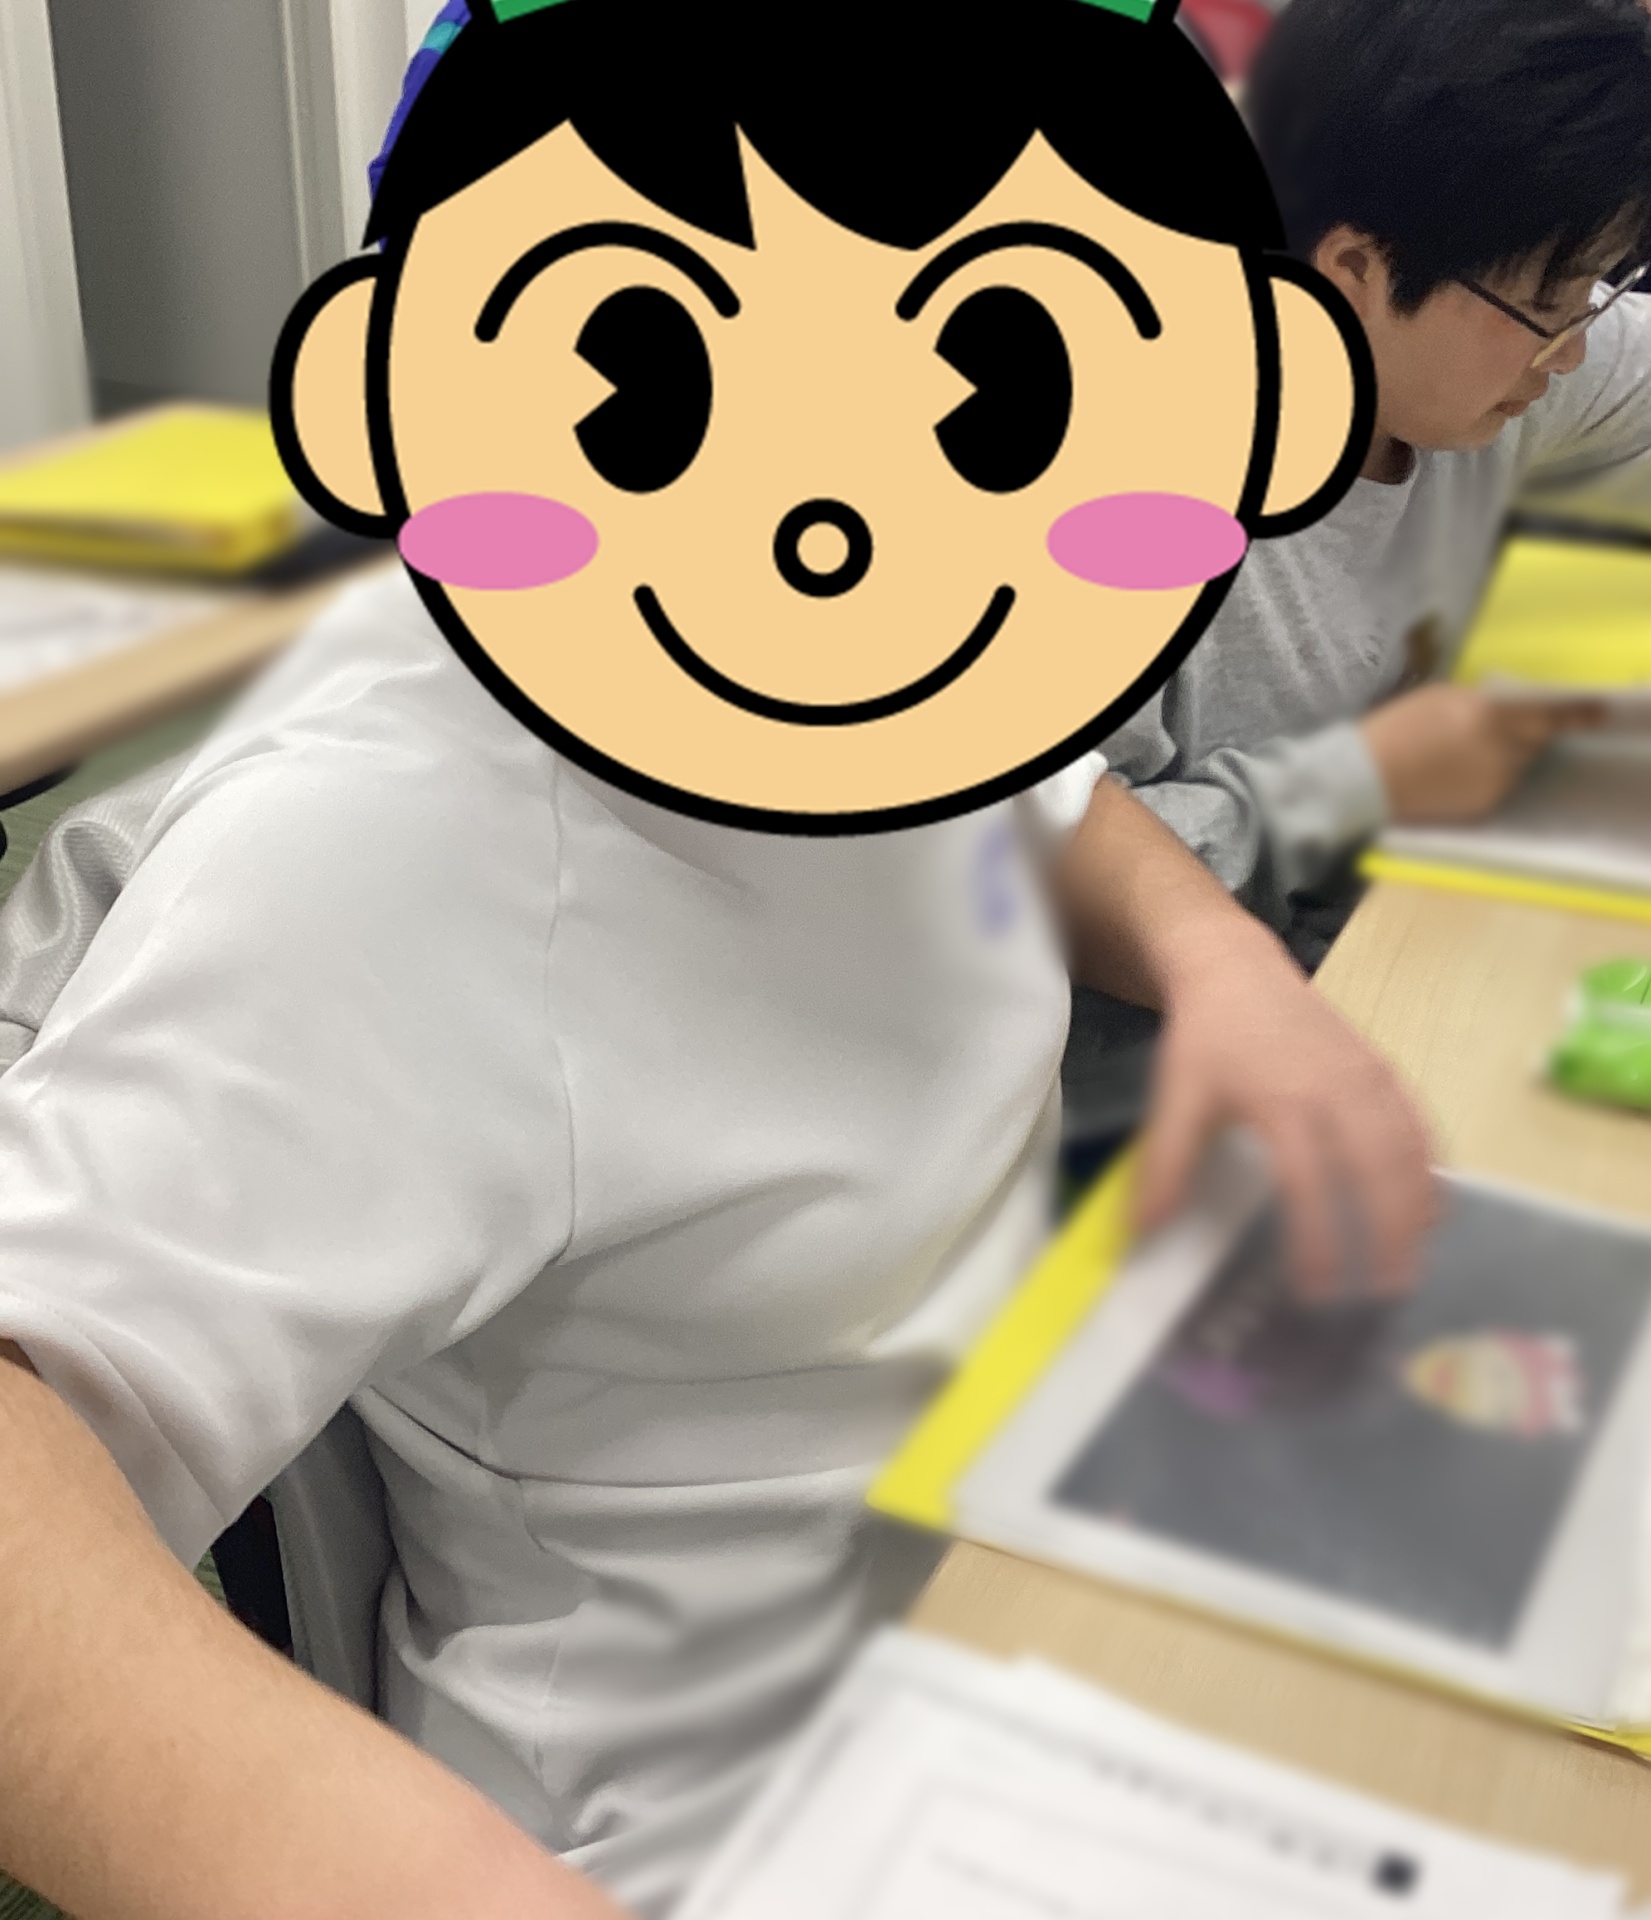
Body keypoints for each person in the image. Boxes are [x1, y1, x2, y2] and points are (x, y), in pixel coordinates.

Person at [0, 6, 1432, 1919]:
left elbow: (1041, 793)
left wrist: (1222, 967)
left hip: (1010, 1599)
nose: (841, 528)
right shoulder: (404, 835)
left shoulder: (935, 654)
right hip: (709, 1821)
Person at [1104, 0, 1651, 954]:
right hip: (1191, 1023)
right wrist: (1372, 777)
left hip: (1408, 917)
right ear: (1354, 268)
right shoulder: (1129, 512)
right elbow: (1026, 884)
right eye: (1547, 301)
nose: (1568, 351)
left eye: (1592, 292)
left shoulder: (1482, 363)